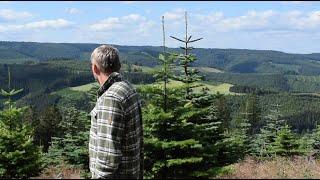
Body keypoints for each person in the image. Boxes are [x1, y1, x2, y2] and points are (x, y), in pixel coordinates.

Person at [89, 45, 143, 179]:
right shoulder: (127, 88)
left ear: (95, 68)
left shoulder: (110, 98)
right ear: (118, 66)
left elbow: (107, 159)